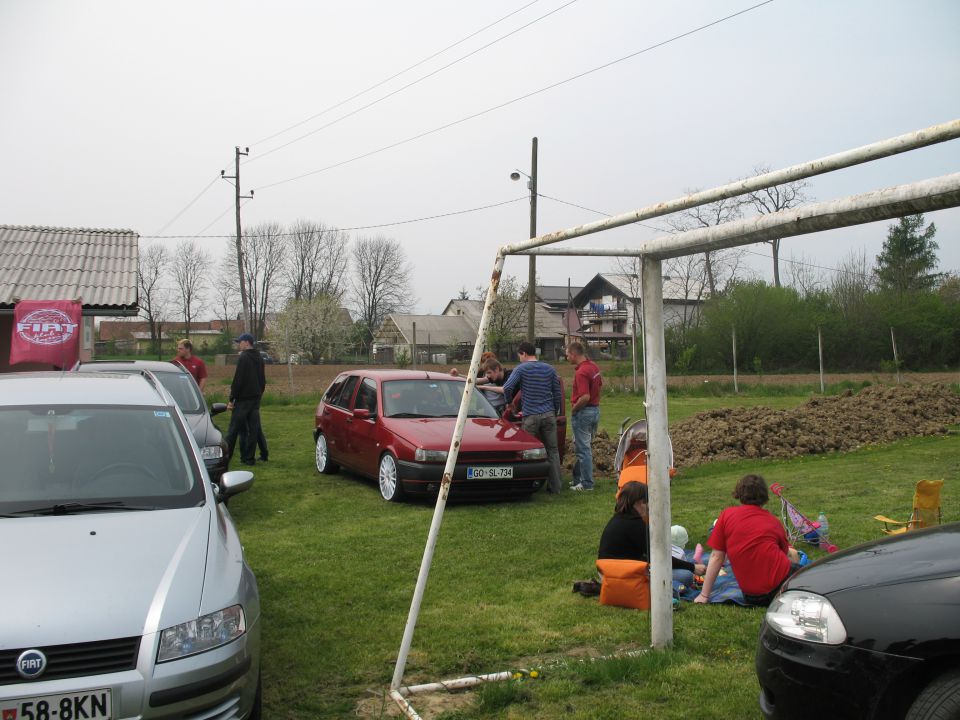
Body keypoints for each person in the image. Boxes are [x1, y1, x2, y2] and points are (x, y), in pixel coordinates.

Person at [694, 474, 801, 607]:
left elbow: (716, 556)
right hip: (779, 588)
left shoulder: (726, 515)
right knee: (809, 572)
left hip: (751, 597)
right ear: (764, 497)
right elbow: (787, 554)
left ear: (739, 494)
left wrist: (704, 595)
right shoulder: (773, 521)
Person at [598, 481, 706, 574]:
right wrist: (692, 568)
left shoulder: (619, 519)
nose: (649, 506)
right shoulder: (635, 525)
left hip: (608, 572)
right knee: (685, 576)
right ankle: (694, 562)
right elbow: (658, 557)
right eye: (647, 502)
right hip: (622, 576)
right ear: (638, 503)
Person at [502, 341, 562, 494]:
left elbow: (507, 387)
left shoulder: (521, 369)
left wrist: (509, 403)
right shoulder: (549, 369)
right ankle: (555, 487)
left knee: (527, 451)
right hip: (549, 414)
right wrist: (554, 411)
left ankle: (526, 485)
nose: (519, 358)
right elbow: (557, 393)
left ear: (523, 353)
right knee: (553, 451)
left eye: (519, 355)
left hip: (531, 416)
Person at [224, 333, 266, 466]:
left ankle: (225, 457)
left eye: (240, 342)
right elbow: (262, 379)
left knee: (233, 430)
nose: (239, 344)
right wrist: (259, 393)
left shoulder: (244, 357)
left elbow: (238, 379)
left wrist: (232, 398)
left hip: (243, 399)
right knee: (253, 430)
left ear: (247, 342)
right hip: (256, 398)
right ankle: (249, 459)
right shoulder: (259, 357)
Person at [565, 341, 602, 491]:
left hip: (584, 412)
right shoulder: (593, 366)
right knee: (584, 447)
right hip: (594, 411)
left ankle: (586, 484)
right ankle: (577, 479)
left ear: (574, 354)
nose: (566, 357)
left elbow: (585, 396)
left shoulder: (581, 373)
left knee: (583, 449)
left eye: (567, 354)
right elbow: (598, 387)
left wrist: (574, 409)